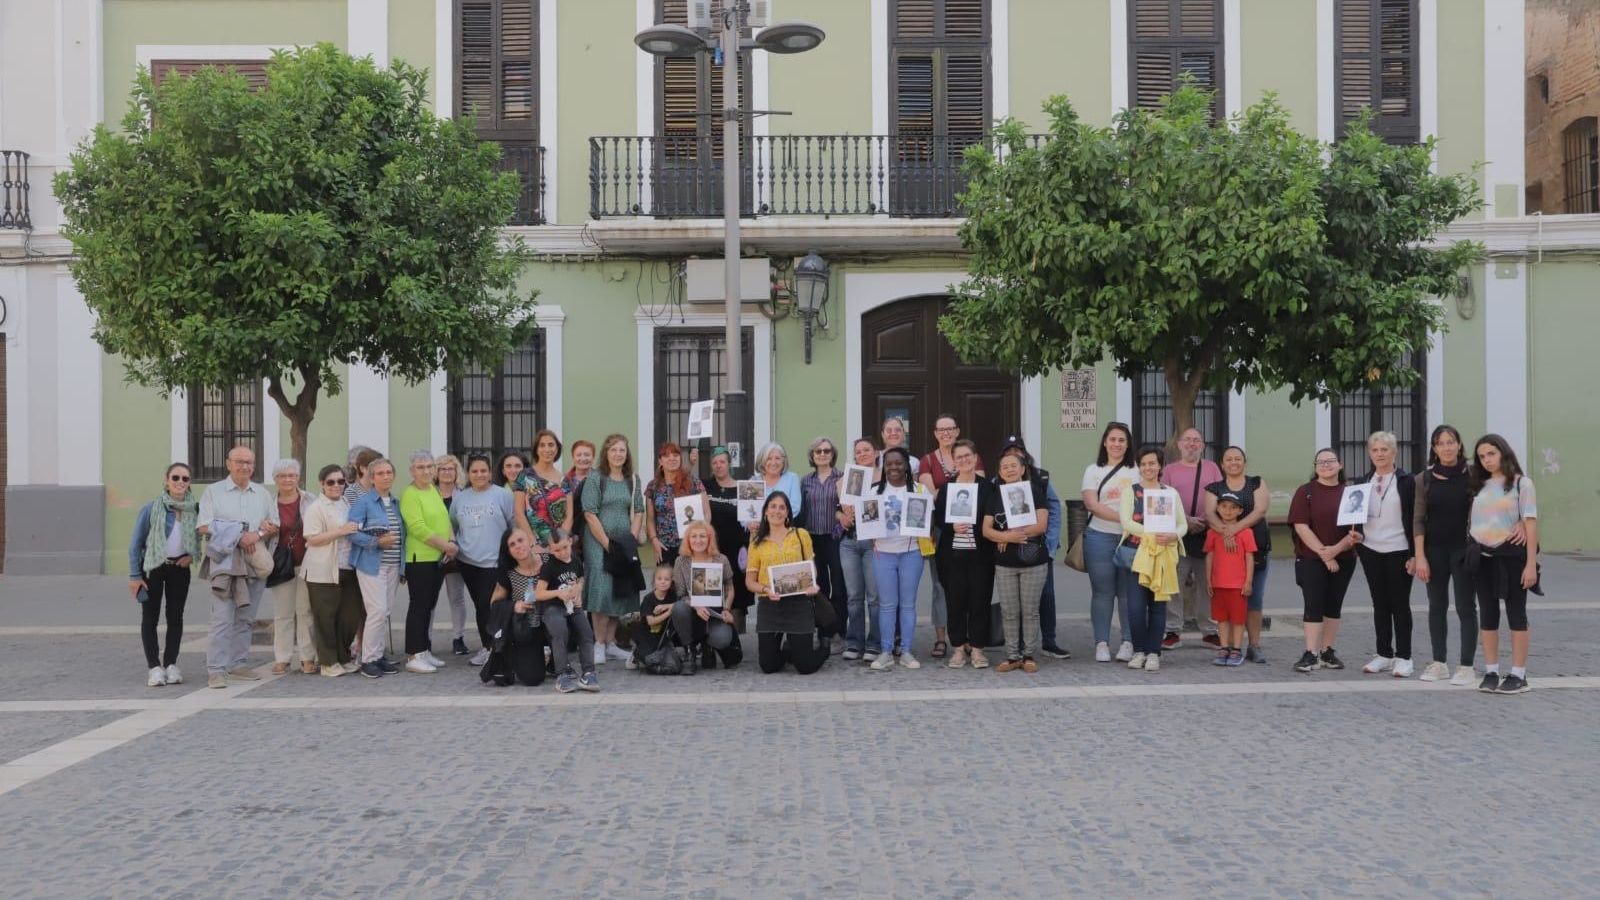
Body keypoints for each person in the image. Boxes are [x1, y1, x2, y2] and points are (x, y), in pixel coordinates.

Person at [197, 446, 279, 689]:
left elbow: (274, 525)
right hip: (225, 563)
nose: (245, 466)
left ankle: (238, 663)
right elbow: (203, 526)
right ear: (228, 464)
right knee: (222, 617)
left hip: (254, 561)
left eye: (250, 462)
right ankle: (216, 669)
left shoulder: (262, 494)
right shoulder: (214, 492)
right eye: (240, 461)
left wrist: (259, 534)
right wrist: (239, 534)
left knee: (246, 617)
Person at [1467, 434, 1539, 695]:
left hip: (1512, 559)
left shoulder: (1522, 484)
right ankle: (1491, 670)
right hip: (1482, 559)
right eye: (1482, 456)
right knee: (1488, 615)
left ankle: (1519, 674)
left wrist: (1531, 564)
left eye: (1491, 454)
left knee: (1516, 615)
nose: (1487, 460)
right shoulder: (1478, 485)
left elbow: (1530, 524)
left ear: (1503, 453)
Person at [1411, 425, 1481, 685]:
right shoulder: (1424, 479)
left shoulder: (1474, 475)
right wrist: (1420, 556)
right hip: (1433, 551)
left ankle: (1466, 666)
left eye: (1451, 442)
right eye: (1441, 443)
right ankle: (1439, 663)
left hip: (1464, 550)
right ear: (1434, 448)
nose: (1447, 447)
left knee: (1465, 607)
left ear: (1460, 445)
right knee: (1436, 607)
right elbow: (1418, 519)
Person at [1117, 444, 1189, 672]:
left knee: (1158, 607)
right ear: (1139, 467)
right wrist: (1151, 533)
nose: (1148, 468)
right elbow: (1126, 522)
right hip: (1137, 555)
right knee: (1136, 607)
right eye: (1144, 464)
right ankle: (1139, 650)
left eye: (1153, 463)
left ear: (1160, 466)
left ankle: (1153, 652)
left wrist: (1173, 535)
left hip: (1163, 556)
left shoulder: (1170, 493)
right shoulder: (1131, 491)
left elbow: (1182, 523)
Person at [1288, 449, 1361, 674]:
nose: (1326, 465)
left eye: (1331, 461)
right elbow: (1301, 526)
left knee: (1333, 605)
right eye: (1320, 462)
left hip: (1344, 558)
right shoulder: (1305, 492)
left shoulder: (1351, 493)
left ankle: (1327, 651)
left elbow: (1355, 530)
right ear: (1315, 466)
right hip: (1311, 558)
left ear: (1340, 465)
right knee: (1313, 604)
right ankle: (1311, 653)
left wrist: (1336, 550)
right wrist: (1324, 554)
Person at [1353, 431, 1419, 678]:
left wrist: (1415, 554)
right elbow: (1355, 516)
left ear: (1394, 452)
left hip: (1399, 549)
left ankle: (1404, 657)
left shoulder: (1406, 481)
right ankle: (1384, 654)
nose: (1379, 454)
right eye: (1375, 450)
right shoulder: (1361, 482)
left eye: (1384, 450)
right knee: (1379, 604)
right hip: (1371, 549)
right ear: (1369, 453)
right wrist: (1357, 535)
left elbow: (1415, 519)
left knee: (1400, 604)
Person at [128, 463, 199, 687]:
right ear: (166, 481)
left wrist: (192, 556)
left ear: (189, 483)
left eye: (185, 478)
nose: (180, 482)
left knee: (175, 617)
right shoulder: (151, 508)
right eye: (175, 477)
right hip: (153, 568)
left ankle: (170, 664)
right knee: (150, 618)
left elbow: (199, 538)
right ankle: (154, 667)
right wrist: (134, 576)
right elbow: (136, 545)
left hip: (179, 569)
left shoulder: (194, 509)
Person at [985, 440, 1052, 673]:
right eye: (1005, 467)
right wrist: (1002, 536)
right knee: (1010, 610)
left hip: (1033, 559)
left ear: (1023, 469)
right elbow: (986, 530)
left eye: (1014, 465)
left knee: (1030, 610)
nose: (1010, 469)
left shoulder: (1034, 491)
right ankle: (1012, 655)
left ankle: (1029, 654)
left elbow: (1042, 524)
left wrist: (1012, 535)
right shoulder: (994, 495)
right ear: (1000, 472)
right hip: (1005, 563)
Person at [1203, 446, 1272, 664]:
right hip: (1225, 553)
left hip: (1255, 549)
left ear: (1244, 462)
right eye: (1229, 459)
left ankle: (1254, 645)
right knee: (1228, 605)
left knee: (1254, 599)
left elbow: (1260, 510)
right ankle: (1230, 647)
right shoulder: (1214, 488)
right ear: (1222, 464)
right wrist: (1225, 532)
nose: (1234, 462)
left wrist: (1234, 529)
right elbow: (1209, 514)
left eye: (1238, 458)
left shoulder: (1256, 483)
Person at [582, 434, 647, 665]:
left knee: (619, 590)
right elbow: (589, 513)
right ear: (606, 453)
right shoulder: (595, 478)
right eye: (614, 450)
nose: (618, 454)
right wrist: (608, 544)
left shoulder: (633, 480)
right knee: (602, 591)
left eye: (622, 450)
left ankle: (610, 643)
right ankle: (598, 643)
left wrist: (629, 539)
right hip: (599, 544)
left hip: (624, 543)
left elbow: (638, 510)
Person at [746, 491, 828, 674]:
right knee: (768, 666)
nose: (777, 511)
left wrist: (812, 584)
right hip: (770, 604)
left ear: (788, 512)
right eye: (773, 506)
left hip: (798, 602)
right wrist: (766, 589)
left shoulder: (801, 535)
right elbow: (750, 582)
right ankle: (790, 651)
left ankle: (824, 648)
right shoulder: (756, 543)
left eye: (782, 507)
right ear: (765, 511)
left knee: (806, 667)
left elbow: (811, 567)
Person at [919, 415, 979, 659]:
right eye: (941, 429)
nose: (946, 433)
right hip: (940, 529)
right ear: (935, 433)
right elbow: (931, 495)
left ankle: (967, 637)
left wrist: (949, 491)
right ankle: (942, 637)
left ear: (957, 431)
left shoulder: (970, 455)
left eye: (950, 429)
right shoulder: (927, 461)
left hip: (970, 529)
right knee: (941, 585)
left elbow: (979, 488)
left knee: (969, 584)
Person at [933, 439, 996, 669]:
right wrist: (952, 526)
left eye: (967, 455)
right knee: (955, 603)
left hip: (980, 556)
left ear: (975, 457)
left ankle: (978, 650)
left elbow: (993, 517)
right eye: (959, 457)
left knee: (980, 602)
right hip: (953, 556)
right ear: (954, 461)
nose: (964, 460)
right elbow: (939, 519)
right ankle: (958, 649)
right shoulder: (947, 489)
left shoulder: (988, 487)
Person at [450, 453, 517, 666]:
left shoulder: (502, 495)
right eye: (475, 471)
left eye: (483, 471)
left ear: (490, 472)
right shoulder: (460, 497)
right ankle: (488, 647)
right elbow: (453, 523)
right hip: (468, 562)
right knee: (480, 607)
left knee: (488, 605)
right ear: (468, 474)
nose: (479, 475)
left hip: (494, 562)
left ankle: (493, 647)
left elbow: (512, 525)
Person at [302, 463, 365, 677]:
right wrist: (340, 531)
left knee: (350, 615)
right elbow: (312, 538)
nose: (336, 485)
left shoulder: (347, 502)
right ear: (322, 484)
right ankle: (328, 662)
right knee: (325, 617)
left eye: (341, 481)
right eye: (331, 482)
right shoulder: (315, 508)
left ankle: (343, 656)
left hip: (348, 566)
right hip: (323, 570)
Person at [397, 450, 457, 674]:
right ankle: (414, 654)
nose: (426, 471)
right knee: (419, 607)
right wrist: (446, 546)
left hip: (436, 558)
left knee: (428, 606)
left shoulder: (432, 489)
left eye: (429, 466)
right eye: (420, 467)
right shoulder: (410, 494)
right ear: (412, 471)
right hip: (419, 558)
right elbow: (418, 528)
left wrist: (450, 540)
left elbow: (445, 517)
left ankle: (423, 651)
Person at [868, 447, 928, 671]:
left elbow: (928, 521)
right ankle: (885, 652)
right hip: (883, 553)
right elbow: (865, 522)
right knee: (887, 605)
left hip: (911, 552)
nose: (894, 467)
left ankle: (906, 651)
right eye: (889, 463)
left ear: (907, 466)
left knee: (908, 604)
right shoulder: (874, 491)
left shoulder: (920, 490)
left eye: (898, 463)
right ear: (884, 467)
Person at [1162, 428, 1223, 649]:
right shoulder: (1169, 470)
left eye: (1196, 440)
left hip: (1207, 532)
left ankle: (1209, 630)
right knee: (1174, 582)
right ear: (1179, 445)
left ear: (1203, 445)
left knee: (1207, 583)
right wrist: (1186, 520)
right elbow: (1164, 499)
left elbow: (1220, 496)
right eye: (1187, 440)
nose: (1191, 444)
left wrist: (1205, 519)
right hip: (1178, 533)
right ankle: (1172, 629)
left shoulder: (1212, 468)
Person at [1082, 422, 1137, 663]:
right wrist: (1123, 518)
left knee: (1128, 593)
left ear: (1128, 444)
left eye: (1121, 440)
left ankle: (1128, 641)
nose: (1116, 444)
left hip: (1131, 538)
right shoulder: (1093, 470)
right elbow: (1092, 504)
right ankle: (1101, 643)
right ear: (1105, 442)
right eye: (1112, 439)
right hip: (1099, 536)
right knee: (1102, 592)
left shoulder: (1136, 470)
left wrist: (1130, 525)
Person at [347, 457, 405, 679]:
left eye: (389, 472)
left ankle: (378, 655)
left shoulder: (396, 502)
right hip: (371, 564)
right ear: (371, 478)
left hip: (392, 565)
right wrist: (376, 543)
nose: (386, 476)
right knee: (377, 611)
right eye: (380, 473)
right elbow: (352, 532)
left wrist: (402, 568)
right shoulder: (363, 502)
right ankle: (368, 659)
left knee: (385, 612)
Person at [530, 528, 600, 692]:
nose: (561, 553)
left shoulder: (575, 560)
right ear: (550, 549)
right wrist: (558, 593)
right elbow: (538, 594)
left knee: (586, 632)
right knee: (559, 631)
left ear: (570, 542)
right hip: (552, 607)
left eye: (564, 547)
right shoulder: (549, 566)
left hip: (572, 606)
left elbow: (581, 578)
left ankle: (588, 673)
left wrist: (578, 589)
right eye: (556, 550)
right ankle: (562, 674)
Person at [267, 459, 316, 675]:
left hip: (307, 562)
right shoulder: (268, 504)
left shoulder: (310, 500)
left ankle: (307, 657)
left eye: (292, 475)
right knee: (283, 613)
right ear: (275, 479)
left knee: (305, 611)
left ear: (298, 477)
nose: (288, 479)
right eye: (282, 476)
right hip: (280, 565)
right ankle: (283, 658)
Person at [671, 520, 743, 669]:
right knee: (678, 608)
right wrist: (696, 605)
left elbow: (730, 587)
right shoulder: (681, 561)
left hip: (714, 614)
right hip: (691, 612)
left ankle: (707, 645)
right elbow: (680, 594)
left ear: (710, 538)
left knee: (722, 639)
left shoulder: (721, 559)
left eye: (702, 536)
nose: (698, 540)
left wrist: (727, 609)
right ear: (688, 539)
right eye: (694, 536)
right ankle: (689, 650)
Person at [484, 528, 550, 688]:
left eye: (520, 540)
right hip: (526, 629)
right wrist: (514, 606)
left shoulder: (548, 560)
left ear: (529, 540)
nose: (518, 546)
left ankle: (559, 662)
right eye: (512, 544)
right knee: (532, 678)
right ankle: (515, 658)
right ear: (509, 551)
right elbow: (494, 605)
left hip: (551, 621)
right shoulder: (508, 573)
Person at [837, 437, 882, 661]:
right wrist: (842, 516)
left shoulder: (884, 478)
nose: (862, 454)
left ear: (876, 452)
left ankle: (874, 643)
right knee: (854, 597)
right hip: (849, 542)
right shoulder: (847, 479)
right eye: (858, 451)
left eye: (867, 450)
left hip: (874, 543)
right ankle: (854, 642)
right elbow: (836, 510)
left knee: (874, 597)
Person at [703, 445, 755, 627]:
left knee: (738, 590)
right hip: (712, 548)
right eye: (714, 463)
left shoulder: (744, 488)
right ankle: (710, 638)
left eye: (722, 462)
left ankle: (734, 640)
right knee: (710, 590)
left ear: (729, 464)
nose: (718, 466)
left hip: (737, 549)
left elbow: (752, 519)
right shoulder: (705, 486)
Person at [800, 437, 846, 640]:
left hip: (835, 538)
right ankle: (823, 630)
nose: (822, 454)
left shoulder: (841, 478)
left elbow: (846, 508)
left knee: (839, 583)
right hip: (812, 539)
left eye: (827, 451)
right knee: (819, 585)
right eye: (818, 451)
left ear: (832, 454)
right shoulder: (806, 481)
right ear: (812, 455)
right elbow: (801, 510)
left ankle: (840, 630)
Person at [1205, 492, 1256, 667]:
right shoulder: (1213, 532)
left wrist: (1248, 581)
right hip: (1218, 583)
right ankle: (1224, 647)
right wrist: (1208, 579)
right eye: (1224, 506)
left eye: (1233, 507)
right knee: (1221, 618)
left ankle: (1236, 649)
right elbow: (1210, 556)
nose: (1228, 511)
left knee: (1238, 619)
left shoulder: (1246, 532)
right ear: (1217, 508)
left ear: (1240, 511)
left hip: (1237, 585)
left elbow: (1249, 558)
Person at [433, 453, 472, 657]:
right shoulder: (429, 494)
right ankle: (426, 639)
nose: (447, 472)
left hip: (457, 553)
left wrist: (454, 545)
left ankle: (458, 637)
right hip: (432, 552)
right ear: (436, 473)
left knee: (456, 597)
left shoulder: (464, 495)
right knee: (429, 598)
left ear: (457, 473)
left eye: (451, 469)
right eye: (442, 469)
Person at [644, 441, 707, 566]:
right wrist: (654, 541)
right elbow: (650, 519)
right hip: (664, 547)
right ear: (660, 461)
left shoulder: (693, 482)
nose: (672, 458)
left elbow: (707, 513)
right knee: (666, 584)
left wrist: (700, 538)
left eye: (676, 455)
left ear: (680, 459)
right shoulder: (653, 486)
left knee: (690, 584)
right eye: (667, 456)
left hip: (691, 545)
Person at [515, 429, 574, 556]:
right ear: (536, 450)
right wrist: (532, 543)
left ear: (557, 448)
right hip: (535, 548)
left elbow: (569, 516)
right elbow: (519, 513)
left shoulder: (565, 480)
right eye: (542, 445)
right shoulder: (525, 476)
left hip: (560, 548)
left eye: (551, 445)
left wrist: (561, 542)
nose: (547, 449)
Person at [750, 442, 803, 525]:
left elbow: (794, 508)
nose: (773, 463)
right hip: (759, 532)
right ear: (762, 461)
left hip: (784, 530)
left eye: (777, 458)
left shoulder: (792, 478)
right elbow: (747, 511)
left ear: (783, 461)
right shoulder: (754, 482)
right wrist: (749, 523)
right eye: (769, 459)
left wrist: (772, 521)